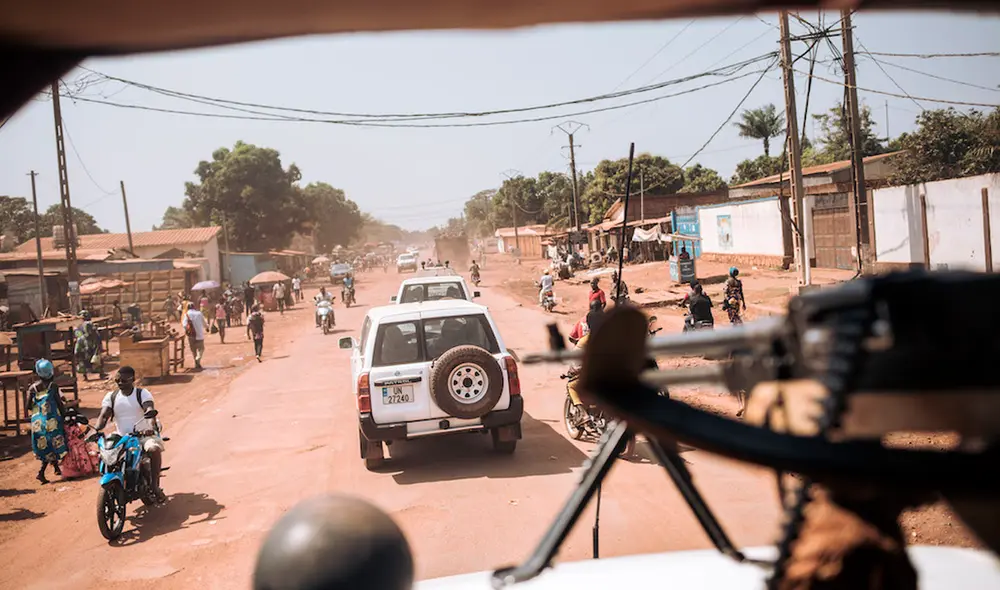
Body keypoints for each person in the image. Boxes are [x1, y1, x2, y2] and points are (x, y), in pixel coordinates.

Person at [94, 366, 166, 503]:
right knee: (107, 453)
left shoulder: (142, 394)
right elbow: (103, 416)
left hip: (143, 435)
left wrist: (151, 426)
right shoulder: (112, 396)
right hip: (122, 437)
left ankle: (155, 486)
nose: (120, 383)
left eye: (124, 380)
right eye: (118, 380)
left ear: (132, 379)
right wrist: (96, 429)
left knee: (153, 449)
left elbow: (149, 409)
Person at [26, 359, 67, 484]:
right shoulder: (53, 387)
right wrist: (64, 417)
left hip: (38, 423)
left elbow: (28, 406)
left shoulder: (32, 388)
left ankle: (55, 467)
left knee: (46, 446)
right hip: (52, 421)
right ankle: (41, 472)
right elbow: (60, 404)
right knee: (54, 444)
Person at [74, 311, 105, 380]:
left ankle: (90, 374)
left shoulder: (79, 329)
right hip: (86, 352)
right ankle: (95, 373)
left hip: (89, 352)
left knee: (97, 359)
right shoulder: (84, 333)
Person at [182, 302, 207, 369]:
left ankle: (196, 363)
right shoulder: (199, 313)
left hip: (191, 335)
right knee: (201, 348)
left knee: (193, 350)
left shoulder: (186, 314)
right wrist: (207, 327)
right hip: (199, 334)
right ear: (194, 307)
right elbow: (204, 322)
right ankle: (198, 359)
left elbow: (184, 325)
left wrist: (188, 330)